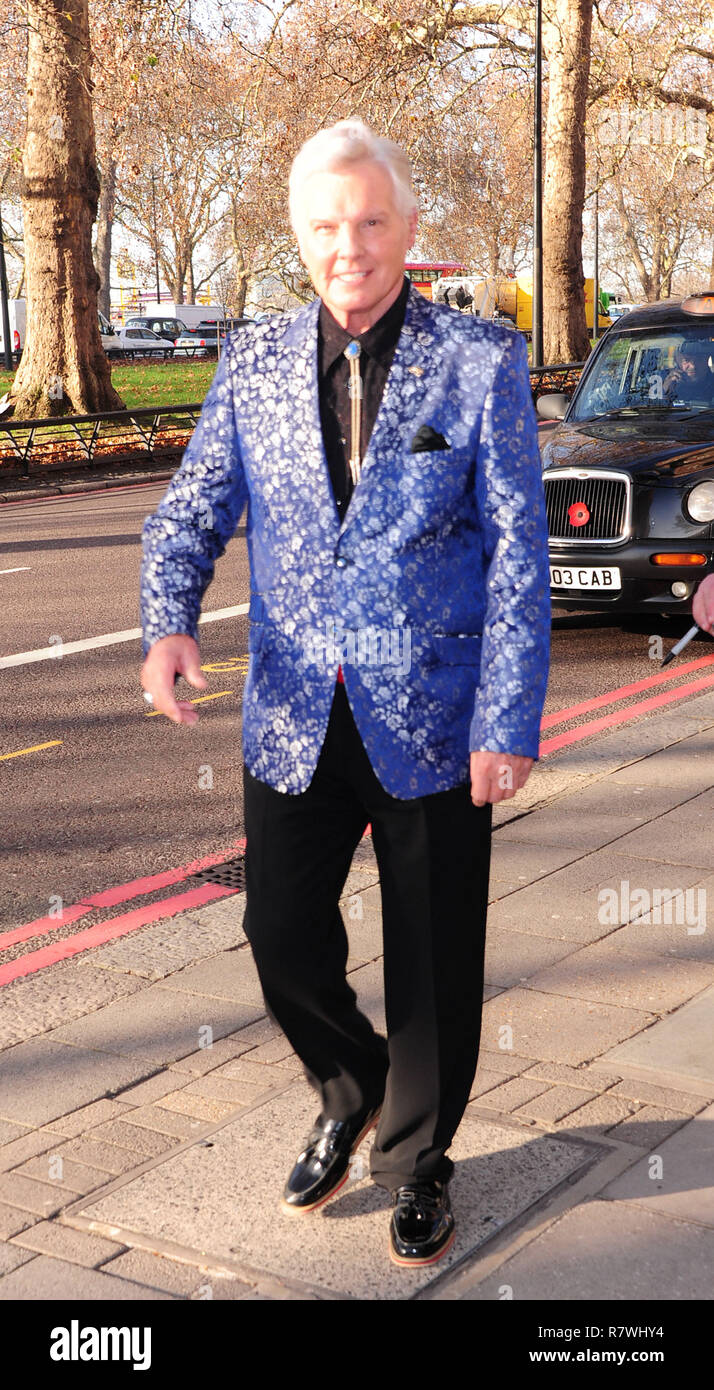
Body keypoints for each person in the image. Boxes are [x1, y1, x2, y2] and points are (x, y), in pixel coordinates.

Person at [139, 119, 551, 1268]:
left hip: (434, 714)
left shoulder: (478, 363)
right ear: (298, 236)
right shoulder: (254, 363)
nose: (350, 246)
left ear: (409, 231)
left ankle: (418, 1159)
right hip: (291, 714)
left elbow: (519, 553)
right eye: (326, 225)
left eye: (372, 222)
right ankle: (349, 1078)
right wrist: (168, 620)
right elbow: (190, 510)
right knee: (279, 934)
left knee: (432, 957)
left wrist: (506, 721)